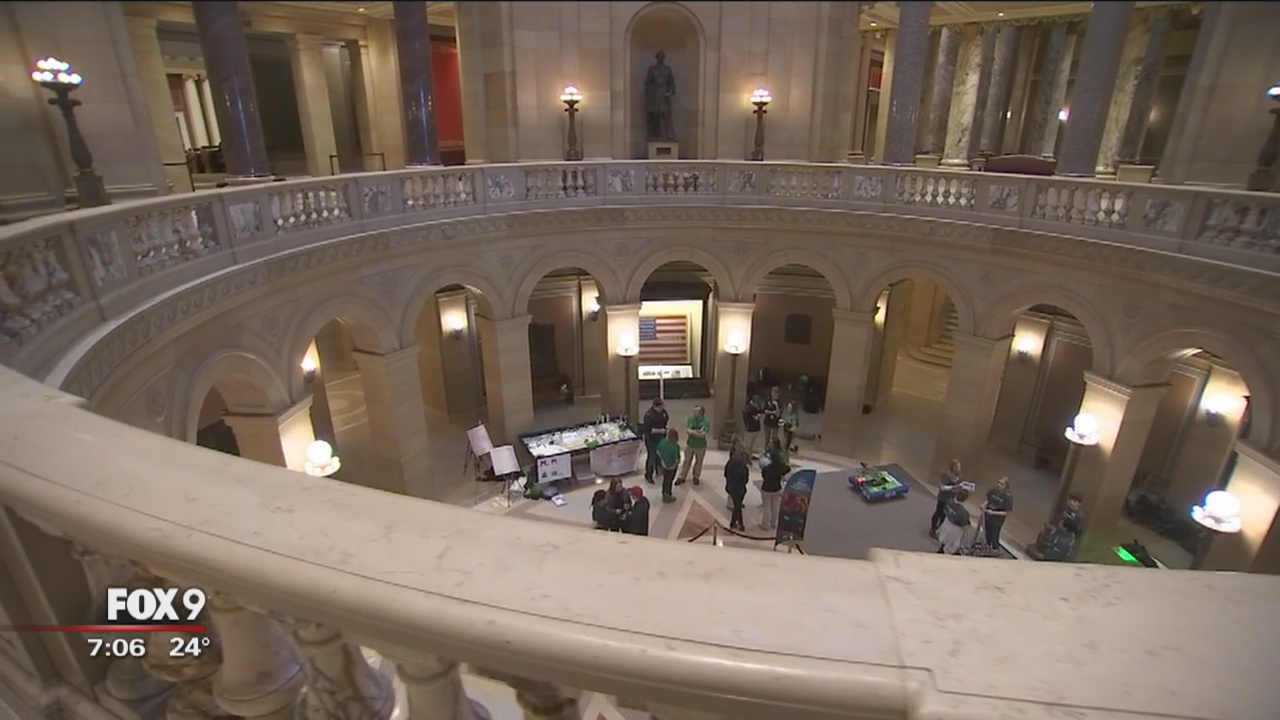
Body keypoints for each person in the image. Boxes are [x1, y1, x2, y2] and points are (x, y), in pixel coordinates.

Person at [758, 438, 790, 530]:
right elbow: (787, 468)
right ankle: (773, 523)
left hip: (767, 488)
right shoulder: (780, 467)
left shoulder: (767, 468)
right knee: (775, 507)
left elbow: (764, 475)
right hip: (777, 488)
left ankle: (765, 525)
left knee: (767, 507)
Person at [643, 50, 676, 141]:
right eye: (659, 56)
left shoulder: (667, 69)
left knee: (666, 115)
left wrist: (669, 92)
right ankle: (656, 134)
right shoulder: (652, 69)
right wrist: (650, 97)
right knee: (655, 116)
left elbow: (672, 84)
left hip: (665, 96)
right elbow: (648, 84)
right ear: (656, 57)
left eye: (662, 56)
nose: (661, 58)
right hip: (654, 96)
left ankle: (668, 134)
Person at [929, 459, 964, 539]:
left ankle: (940, 530)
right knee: (939, 513)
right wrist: (954, 487)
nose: (959, 469)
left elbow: (958, 487)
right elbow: (942, 487)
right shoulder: (946, 475)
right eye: (958, 467)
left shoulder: (959, 477)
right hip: (943, 498)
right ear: (953, 467)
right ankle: (933, 529)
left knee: (945, 516)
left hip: (951, 499)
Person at [677, 405, 710, 486]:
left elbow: (703, 434)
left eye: (696, 412)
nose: (694, 413)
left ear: (701, 413)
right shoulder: (690, 419)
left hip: (701, 446)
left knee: (699, 462)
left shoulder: (706, 422)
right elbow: (688, 431)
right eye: (694, 411)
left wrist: (693, 432)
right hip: (690, 445)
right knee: (686, 461)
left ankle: (696, 476)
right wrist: (697, 432)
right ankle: (682, 476)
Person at [640, 398, 669, 485]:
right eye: (660, 406)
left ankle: (659, 469)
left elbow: (666, 421)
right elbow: (648, 430)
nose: (662, 407)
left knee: (659, 455)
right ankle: (649, 474)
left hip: (661, 438)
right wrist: (661, 430)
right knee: (651, 457)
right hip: (651, 439)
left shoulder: (663, 412)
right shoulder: (649, 415)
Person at [980, 476, 1013, 550]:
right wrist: (984, 504)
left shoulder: (1008, 497)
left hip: (997, 519)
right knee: (987, 532)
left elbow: (1006, 513)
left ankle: (995, 548)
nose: (999, 485)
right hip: (988, 515)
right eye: (998, 483)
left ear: (1006, 486)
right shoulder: (994, 490)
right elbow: (988, 499)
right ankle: (987, 545)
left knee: (994, 534)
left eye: (1002, 484)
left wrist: (993, 512)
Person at [936, 488, 972, 555]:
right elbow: (965, 525)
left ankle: (939, 552)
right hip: (955, 531)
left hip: (946, 524)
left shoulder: (949, 502)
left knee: (944, 541)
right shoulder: (963, 513)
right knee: (950, 548)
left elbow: (944, 510)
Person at [723, 446, 750, 531]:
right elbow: (745, 480)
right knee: (738, 506)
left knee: (737, 506)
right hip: (740, 489)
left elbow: (725, 474)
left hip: (731, 487)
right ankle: (740, 524)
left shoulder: (730, 463)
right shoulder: (744, 467)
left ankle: (733, 523)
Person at [656, 428, 682, 503]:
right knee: (669, 481)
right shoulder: (675, 446)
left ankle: (664, 493)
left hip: (664, 465)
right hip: (672, 467)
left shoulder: (662, 442)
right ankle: (668, 495)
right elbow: (676, 459)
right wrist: (675, 464)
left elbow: (658, 452)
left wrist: (662, 460)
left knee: (665, 480)